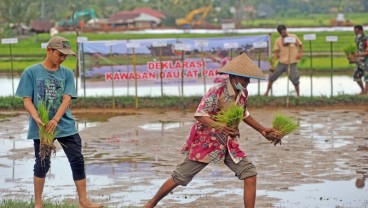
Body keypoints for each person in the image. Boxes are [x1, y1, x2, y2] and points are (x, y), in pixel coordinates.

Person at [144, 53, 276, 208]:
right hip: (206, 142)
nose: (248, 82)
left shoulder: (243, 93)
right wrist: (221, 127)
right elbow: (200, 115)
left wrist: (262, 129)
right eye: (245, 78)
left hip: (227, 143)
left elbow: (243, 113)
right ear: (234, 76)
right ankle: (150, 204)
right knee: (181, 176)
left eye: (249, 79)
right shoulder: (217, 90)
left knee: (249, 173)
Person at [15, 36, 103, 208]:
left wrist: (55, 119)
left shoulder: (67, 74)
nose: (62, 58)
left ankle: (84, 201)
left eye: (65, 56)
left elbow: (66, 98)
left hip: (65, 125)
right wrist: (38, 119)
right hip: (42, 128)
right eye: (59, 54)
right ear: (49, 50)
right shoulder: (31, 72)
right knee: (42, 162)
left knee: (77, 159)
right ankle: (38, 204)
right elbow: (27, 100)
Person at [264, 24, 303, 97]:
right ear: (280, 33)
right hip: (281, 63)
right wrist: (272, 64)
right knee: (272, 77)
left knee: (295, 79)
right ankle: (266, 93)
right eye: (282, 32)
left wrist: (300, 53)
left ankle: (298, 95)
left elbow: (301, 45)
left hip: (292, 62)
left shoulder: (293, 37)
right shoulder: (278, 40)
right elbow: (276, 53)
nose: (284, 33)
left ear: (286, 30)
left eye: (284, 31)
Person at [353, 25, 368, 95]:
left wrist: (359, 54)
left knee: (366, 76)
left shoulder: (366, 39)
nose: (355, 33)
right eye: (354, 32)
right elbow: (356, 49)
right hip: (359, 61)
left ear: (361, 31)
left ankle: (365, 91)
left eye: (356, 31)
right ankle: (363, 90)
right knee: (356, 75)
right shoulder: (356, 38)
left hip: (366, 61)